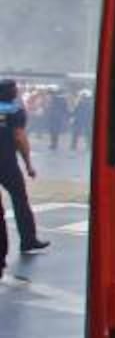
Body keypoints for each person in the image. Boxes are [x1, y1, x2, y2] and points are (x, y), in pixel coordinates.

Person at [0, 82, 47, 269]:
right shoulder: (16, 111)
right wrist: (28, 165)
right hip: (7, 164)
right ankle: (28, 239)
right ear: (13, 94)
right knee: (20, 201)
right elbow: (20, 138)